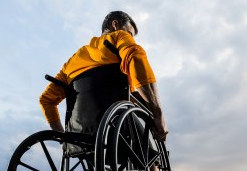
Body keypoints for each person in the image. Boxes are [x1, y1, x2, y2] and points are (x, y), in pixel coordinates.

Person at [39, 11, 168, 141]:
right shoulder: (119, 37)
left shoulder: (72, 62)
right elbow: (135, 60)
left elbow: (46, 100)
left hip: (81, 136)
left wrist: (63, 137)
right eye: (130, 34)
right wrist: (158, 113)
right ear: (115, 25)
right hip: (117, 127)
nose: (131, 39)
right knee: (151, 157)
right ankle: (154, 161)